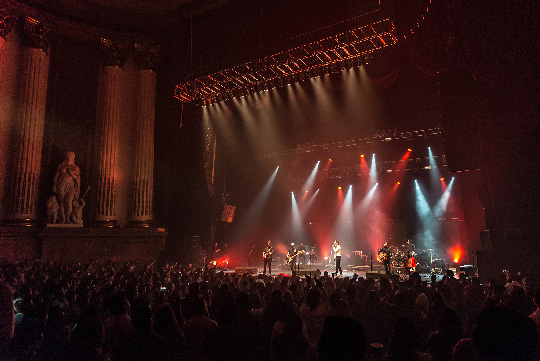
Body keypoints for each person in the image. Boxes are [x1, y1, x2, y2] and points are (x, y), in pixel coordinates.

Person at [52, 151, 81, 224]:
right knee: (61, 202)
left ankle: (67, 218)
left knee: (69, 202)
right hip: (62, 184)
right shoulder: (61, 166)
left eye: (71, 156)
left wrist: (71, 173)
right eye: (68, 156)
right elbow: (57, 176)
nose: (69, 157)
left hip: (70, 185)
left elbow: (77, 178)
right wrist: (55, 185)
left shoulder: (75, 167)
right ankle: (62, 219)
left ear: (73, 157)